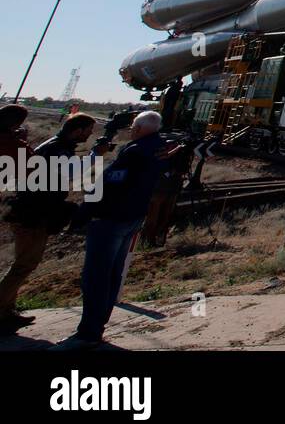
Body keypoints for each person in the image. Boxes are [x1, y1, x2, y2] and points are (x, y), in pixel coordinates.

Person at [55, 110, 169, 350]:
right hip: (134, 216)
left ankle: (88, 333)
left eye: (133, 127)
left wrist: (85, 212)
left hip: (112, 218)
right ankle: (96, 327)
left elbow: (109, 184)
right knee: (112, 274)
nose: (131, 130)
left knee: (96, 277)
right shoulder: (160, 149)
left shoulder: (135, 151)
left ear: (137, 129)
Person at [0, 114, 99, 332]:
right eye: (89, 129)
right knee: (23, 265)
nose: (91, 133)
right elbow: (68, 174)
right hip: (34, 214)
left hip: (33, 211)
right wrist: (93, 158)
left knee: (23, 264)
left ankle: (7, 310)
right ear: (78, 130)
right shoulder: (57, 148)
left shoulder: (56, 145)